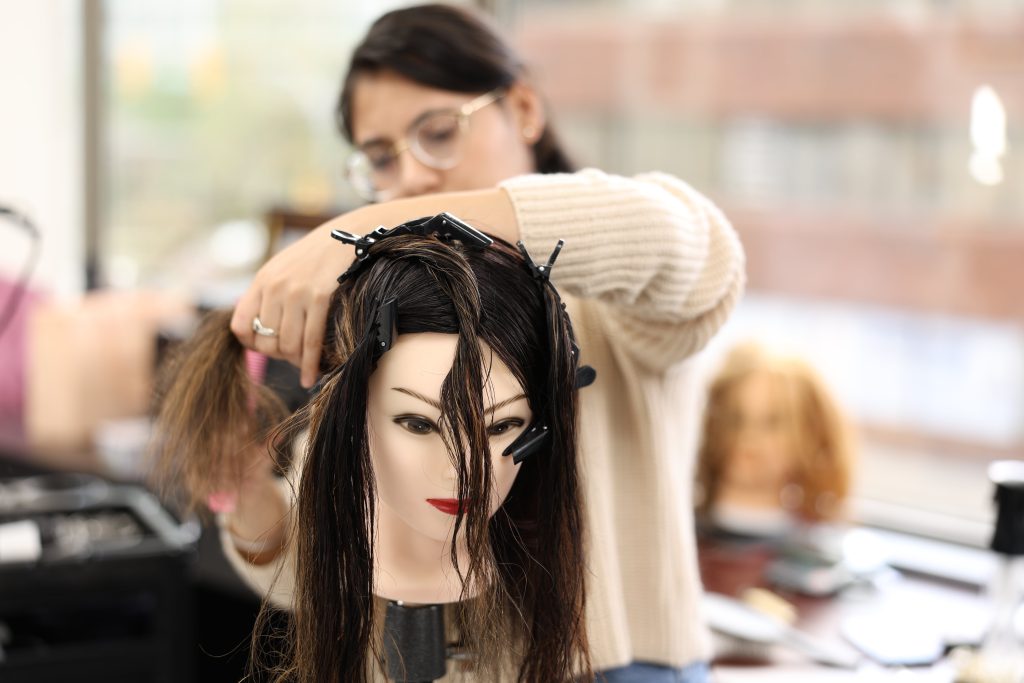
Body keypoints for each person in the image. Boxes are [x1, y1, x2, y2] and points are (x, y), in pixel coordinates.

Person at [220, 4, 744, 681]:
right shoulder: (384, 317)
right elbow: (317, 570)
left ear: (524, 109)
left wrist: (371, 225)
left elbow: (693, 249)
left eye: (438, 132)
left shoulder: (613, 302)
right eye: (381, 158)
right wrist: (246, 496)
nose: (411, 177)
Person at [154, 224, 591, 681]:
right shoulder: (339, 436)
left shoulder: (569, 448)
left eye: (502, 426)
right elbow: (299, 578)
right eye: (419, 423)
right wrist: (247, 492)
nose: (463, 474)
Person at [695, 342, 855, 537]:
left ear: (812, 435)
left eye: (772, 423)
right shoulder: (676, 534)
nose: (749, 437)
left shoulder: (817, 546)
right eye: (735, 419)